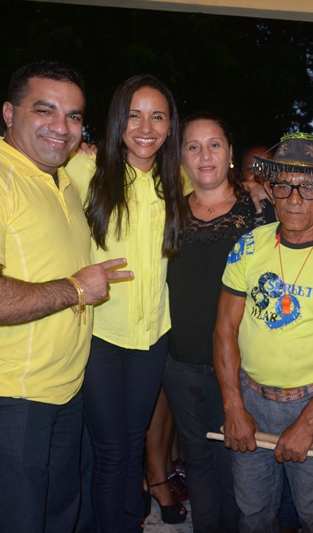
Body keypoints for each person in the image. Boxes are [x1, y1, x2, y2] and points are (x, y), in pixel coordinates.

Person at [0, 60, 130, 531]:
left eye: (74, 116)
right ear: (8, 113)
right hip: (6, 398)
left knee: (59, 518)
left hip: (61, 390)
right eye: (45, 111)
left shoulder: (57, 177)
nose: (62, 127)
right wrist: (77, 289)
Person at [215, 132, 313, 530]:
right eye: (283, 185)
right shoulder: (248, 247)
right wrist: (234, 408)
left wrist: (307, 423)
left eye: (309, 187)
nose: (295, 199)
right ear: (270, 189)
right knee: (253, 515)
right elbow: (224, 330)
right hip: (250, 399)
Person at [64, 74, 187, 530]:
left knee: (132, 445)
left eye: (158, 116)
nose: (146, 126)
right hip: (99, 334)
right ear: (117, 121)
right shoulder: (83, 169)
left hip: (152, 336)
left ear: (171, 126)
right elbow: (21, 158)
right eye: (134, 115)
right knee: (112, 451)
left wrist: (255, 189)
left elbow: (225, 196)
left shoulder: (178, 180)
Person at [164, 111, 275, 531]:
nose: (204, 154)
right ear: (181, 157)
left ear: (230, 153)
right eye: (193, 146)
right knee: (197, 461)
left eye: (214, 144)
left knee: (241, 464)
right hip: (183, 362)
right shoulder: (166, 211)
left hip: (246, 364)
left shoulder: (263, 209)